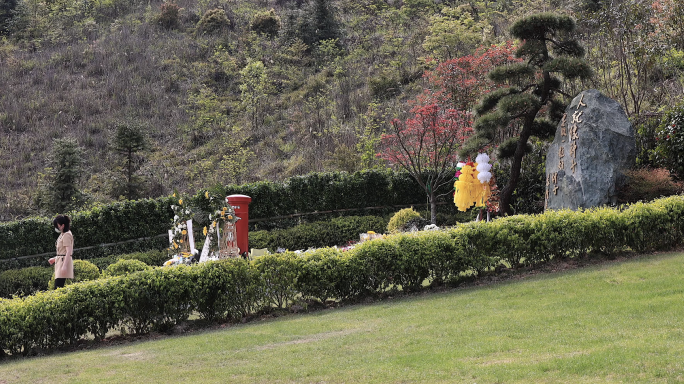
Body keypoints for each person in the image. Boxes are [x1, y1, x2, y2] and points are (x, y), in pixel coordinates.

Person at [48, 215, 74, 288]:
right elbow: (62, 252)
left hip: (63, 262)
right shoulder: (62, 234)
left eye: (58, 225)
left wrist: (64, 266)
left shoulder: (67, 235)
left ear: (62, 225)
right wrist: (55, 258)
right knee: (58, 286)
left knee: (58, 286)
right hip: (60, 261)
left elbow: (68, 251)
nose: (57, 227)